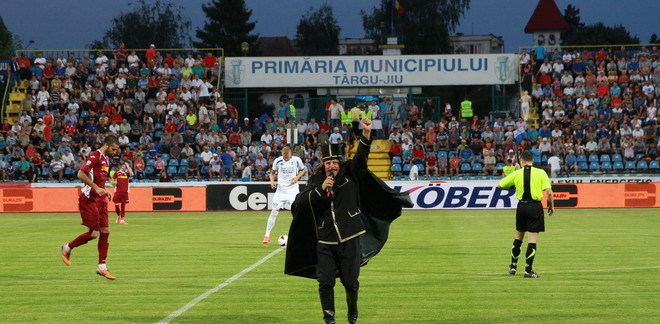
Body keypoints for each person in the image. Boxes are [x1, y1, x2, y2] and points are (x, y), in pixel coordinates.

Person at [285, 118, 412, 324]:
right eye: (328, 163)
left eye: (335, 162)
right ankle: (329, 318)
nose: (332, 166)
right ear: (323, 165)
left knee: (351, 283)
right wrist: (320, 190)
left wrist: (366, 134)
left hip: (350, 237)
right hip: (325, 240)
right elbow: (299, 204)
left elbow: (361, 157)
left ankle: (352, 313)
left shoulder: (351, 173)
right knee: (324, 282)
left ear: (340, 163)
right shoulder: (316, 181)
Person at [60, 135, 120, 280]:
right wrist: (96, 188)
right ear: (106, 145)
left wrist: (104, 190)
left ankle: (102, 267)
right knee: (94, 234)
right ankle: (67, 247)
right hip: (89, 199)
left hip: (100, 199)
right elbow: (80, 173)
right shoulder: (95, 156)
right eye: (113, 149)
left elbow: (99, 180)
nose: (115, 152)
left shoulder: (106, 159)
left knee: (106, 231)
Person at [498, 150, 554, 278]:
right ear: (532, 160)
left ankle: (513, 267)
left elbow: (500, 185)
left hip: (521, 206)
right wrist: (551, 206)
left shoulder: (516, 173)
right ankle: (528, 270)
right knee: (532, 239)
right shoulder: (541, 173)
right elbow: (550, 193)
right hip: (535, 206)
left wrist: (514, 186)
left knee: (518, 237)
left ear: (521, 161)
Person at [262, 146, 306, 244]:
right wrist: (272, 181)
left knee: (297, 214)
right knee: (274, 212)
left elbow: (303, 170)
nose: (285, 158)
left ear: (290, 153)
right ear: (282, 154)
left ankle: (299, 235)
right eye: (284, 156)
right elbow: (271, 172)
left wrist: (297, 177)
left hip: (293, 191)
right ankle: (267, 235)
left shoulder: (297, 160)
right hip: (280, 191)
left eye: (287, 156)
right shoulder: (277, 161)